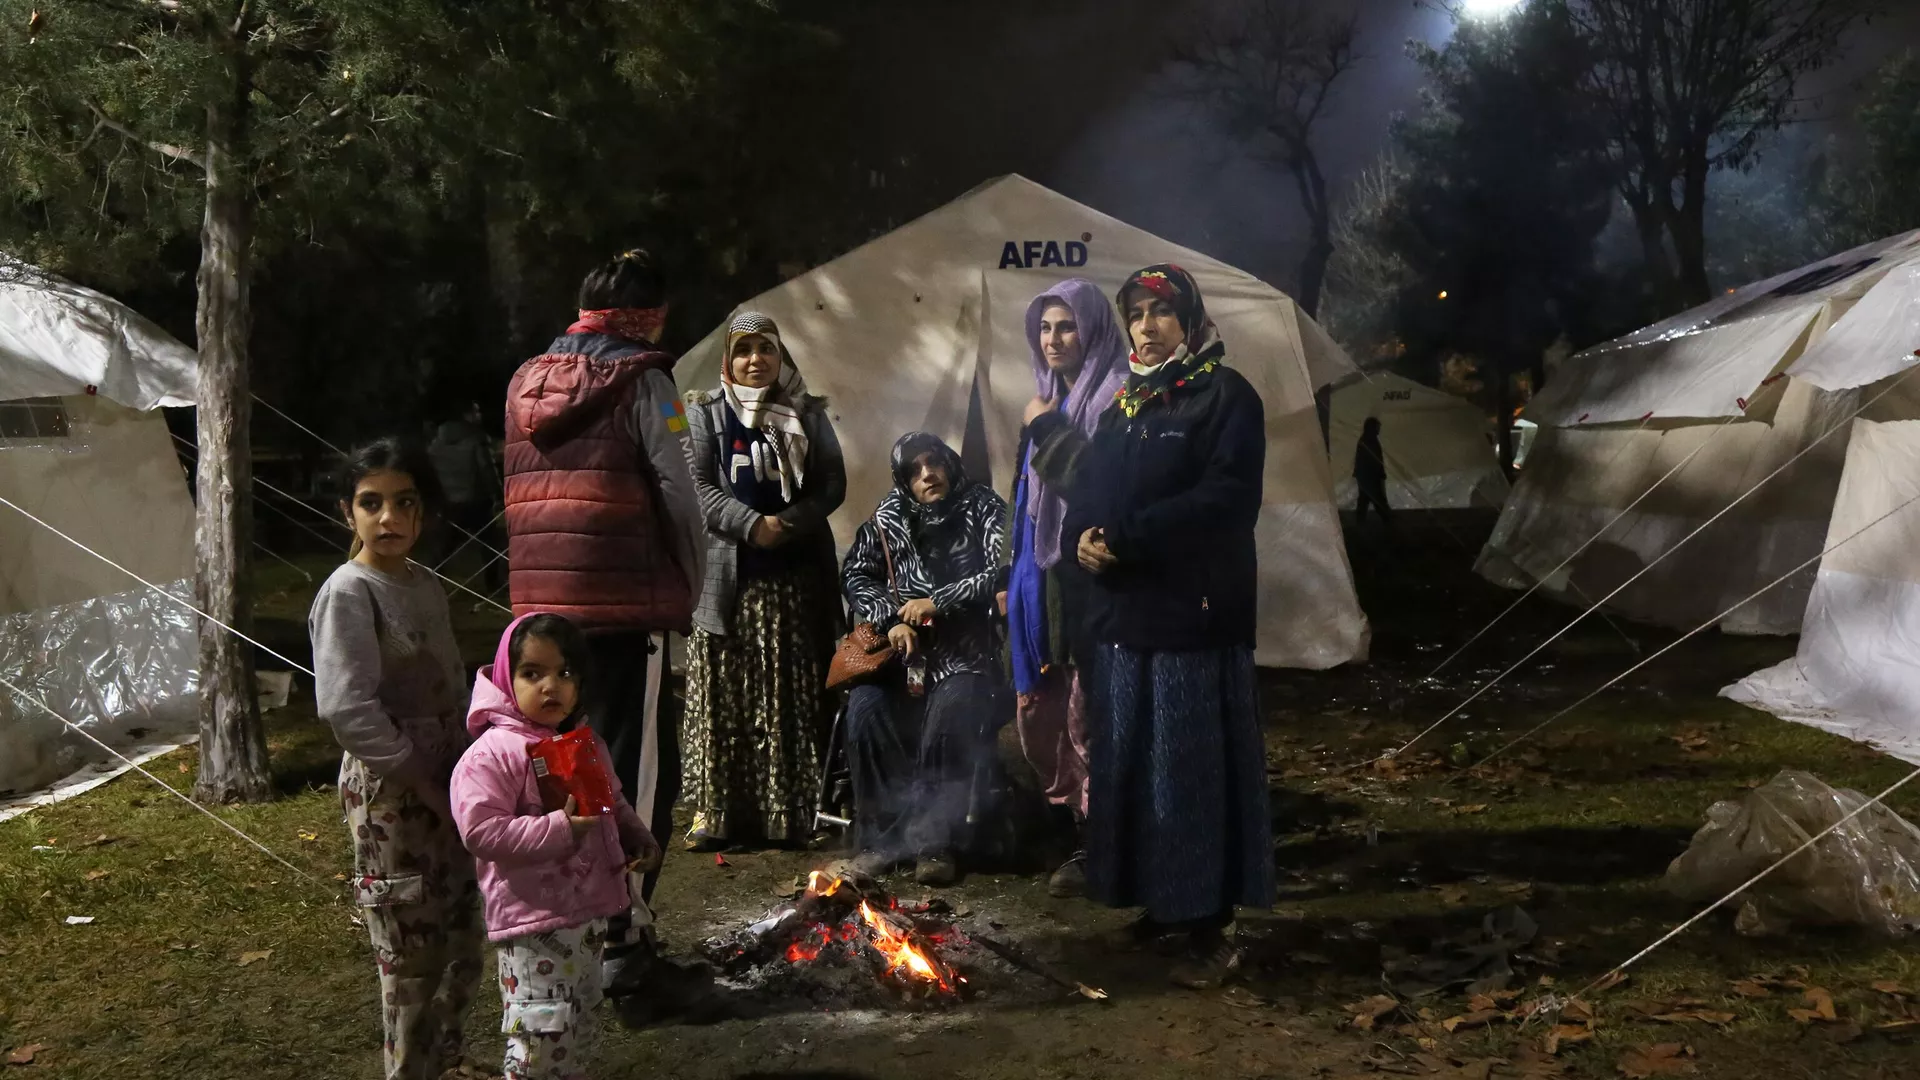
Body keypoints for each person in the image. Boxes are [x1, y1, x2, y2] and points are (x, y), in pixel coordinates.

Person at [1027, 263, 1274, 989]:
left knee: (1188, 769)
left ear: (1190, 321)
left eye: (1161, 313)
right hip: (1128, 616)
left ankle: (1208, 924)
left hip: (1194, 615)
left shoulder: (1225, 397)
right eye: (1136, 314)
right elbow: (1094, 488)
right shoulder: (1127, 405)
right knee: (1135, 764)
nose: (1146, 327)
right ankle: (1163, 905)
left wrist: (1127, 538)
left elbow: (1226, 500)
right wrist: (1080, 538)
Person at [502, 248, 706, 995]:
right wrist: (693, 583)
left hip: (542, 612)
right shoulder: (648, 379)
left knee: (563, 767)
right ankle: (626, 940)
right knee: (638, 769)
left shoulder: (524, 380)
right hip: (625, 605)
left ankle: (574, 927)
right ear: (649, 314)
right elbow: (680, 490)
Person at [308, 437, 483, 1080]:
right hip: (393, 792)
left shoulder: (425, 585)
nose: (389, 518)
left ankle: (450, 1061)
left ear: (422, 511)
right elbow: (348, 709)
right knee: (411, 955)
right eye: (371, 503)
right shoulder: (350, 593)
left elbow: (454, 682)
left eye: (403, 502)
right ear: (345, 512)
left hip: (451, 778)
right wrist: (425, 780)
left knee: (463, 939)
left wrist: (471, 769)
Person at [451, 613, 663, 1080]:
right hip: (533, 924)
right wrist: (558, 830)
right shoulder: (492, 754)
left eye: (565, 673)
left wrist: (634, 834)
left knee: (577, 1033)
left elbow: (611, 800)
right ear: (508, 678)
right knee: (539, 1041)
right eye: (533, 673)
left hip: (586, 918)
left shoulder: (580, 742)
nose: (552, 687)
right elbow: (481, 832)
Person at [681, 312, 847, 850]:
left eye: (767, 349)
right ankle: (717, 813)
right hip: (728, 584)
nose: (756, 360)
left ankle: (788, 812)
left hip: (793, 585)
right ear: (728, 360)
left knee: (786, 697)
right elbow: (696, 487)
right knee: (725, 699)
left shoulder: (808, 413)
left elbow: (831, 486)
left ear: (781, 358)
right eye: (744, 349)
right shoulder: (700, 411)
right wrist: (754, 525)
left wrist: (788, 524)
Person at [841, 432, 1008, 886]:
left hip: (966, 652)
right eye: (914, 471)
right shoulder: (888, 516)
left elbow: (1005, 567)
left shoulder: (983, 507)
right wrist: (889, 618)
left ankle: (936, 841)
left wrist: (940, 600)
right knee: (865, 711)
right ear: (903, 480)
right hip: (903, 656)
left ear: (950, 466)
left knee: (949, 715)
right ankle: (883, 841)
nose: (926, 475)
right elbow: (856, 574)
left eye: (933, 464)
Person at [1009, 280, 1128, 898]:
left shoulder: (1115, 398)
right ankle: (1070, 820)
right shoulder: (1045, 400)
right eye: (1045, 329)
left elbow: (1095, 481)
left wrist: (1046, 425)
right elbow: (1024, 507)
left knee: (1091, 714)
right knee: (1043, 712)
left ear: (1094, 330)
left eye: (1066, 326)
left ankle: (1101, 842)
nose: (1053, 339)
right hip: (1042, 580)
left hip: (1091, 582)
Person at [429, 401, 504, 597]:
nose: (479, 415)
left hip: (450, 503)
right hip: (476, 501)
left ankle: (431, 582)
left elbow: (431, 473)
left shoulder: (436, 442)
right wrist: (498, 494)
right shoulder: (476, 439)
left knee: (445, 547)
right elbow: (487, 470)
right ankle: (493, 584)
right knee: (490, 545)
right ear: (467, 415)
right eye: (476, 412)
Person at [1353, 416, 1394, 531]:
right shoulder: (1369, 440)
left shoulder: (1367, 439)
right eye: (1377, 427)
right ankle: (1387, 519)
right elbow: (1374, 460)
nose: (1379, 429)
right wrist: (1380, 473)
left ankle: (1361, 522)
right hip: (1369, 476)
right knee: (1376, 499)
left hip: (1366, 476)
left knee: (1366, 499)